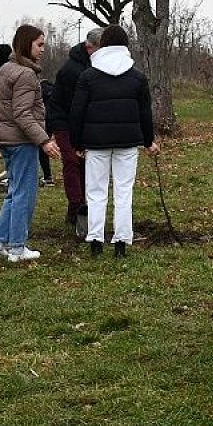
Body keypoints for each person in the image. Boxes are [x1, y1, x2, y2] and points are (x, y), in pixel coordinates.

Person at [69, 25, 157, 258]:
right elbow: (145, 113)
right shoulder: (137, 76)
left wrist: (76, 143)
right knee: (123, 192)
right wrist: (149, 141)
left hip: (96, 143)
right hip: (128, 142)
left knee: (96, 192)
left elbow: (77, 112)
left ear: (104, 45)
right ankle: (121, 242)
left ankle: (96, 240)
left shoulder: (88, 76)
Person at [0, 25, 61, 263]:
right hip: (22, 142)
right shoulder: (26, 74)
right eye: (39, 44)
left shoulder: (6, 68)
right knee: (23, 195)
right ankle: (17, 247)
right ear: (26, 44)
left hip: (6, 139)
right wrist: (44, 140)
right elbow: (22, 114)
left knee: (13, 192)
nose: (43, 49)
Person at [46, 28, 102, 236]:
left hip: (83, 123)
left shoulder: (93, 65)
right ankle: (77, 205)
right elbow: (74, 105)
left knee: (85, 163)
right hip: (64, 121)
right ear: (90, 48)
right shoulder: (73, 70)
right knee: (71, 160)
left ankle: (83, 206)